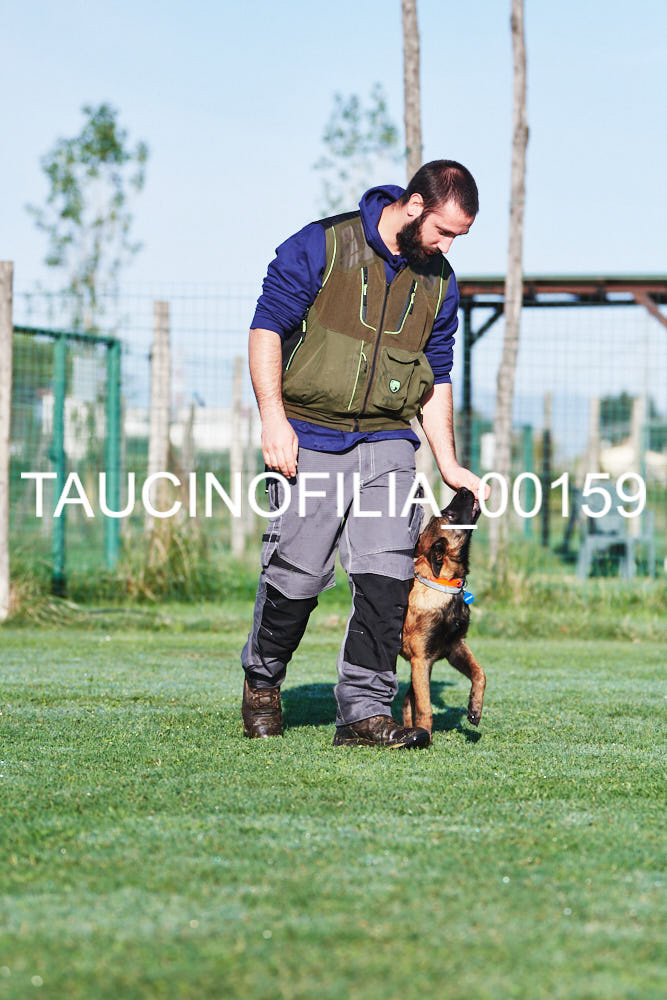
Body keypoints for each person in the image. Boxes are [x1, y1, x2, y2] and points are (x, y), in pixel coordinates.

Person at [241, 159, 485, 749]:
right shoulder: (324, 245)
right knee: (297, 578)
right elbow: (266, 328)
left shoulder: (440, 283)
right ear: (415, 205)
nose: (448, 246)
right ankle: (263, 682)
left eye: (458, 237)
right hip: (309, 432)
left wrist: (448, 463)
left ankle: (365, 712)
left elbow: (438, 375)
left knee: (387, 577)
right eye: (444, 231)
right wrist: (273, 418)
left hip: (387, 439)